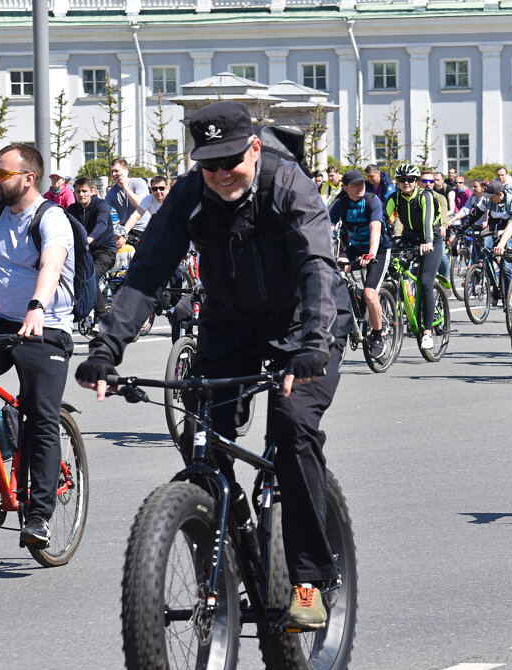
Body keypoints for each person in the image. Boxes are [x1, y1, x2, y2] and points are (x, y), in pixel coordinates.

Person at [75, 101, 352, 630]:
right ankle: (223, 543)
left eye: (231, 161)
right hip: (232, 325)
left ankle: (311, 579)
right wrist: (106, 349)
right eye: (209, 164)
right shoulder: (189, 194)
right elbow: (145, 275)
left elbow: (317, 266)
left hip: (305, 324)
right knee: (202, 429)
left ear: (253, 148)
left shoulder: (287, 184)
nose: (222, 174)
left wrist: (313, 342)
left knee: (292, 426)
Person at [0, 143, 77, 549]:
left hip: (46, 325)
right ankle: (5, 437)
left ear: (29, 179)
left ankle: (39, 516)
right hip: (4, 323)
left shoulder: (53, 219)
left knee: (42, 415)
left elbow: (50, 265)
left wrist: (36, 307)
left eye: (1, 174)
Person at [328, 169, 388, 359]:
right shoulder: (340, 203)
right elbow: (326, 229)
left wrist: (370, 255)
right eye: (355, 184)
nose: (360, 186)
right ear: (345, 188)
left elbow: (375, 229)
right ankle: (357, 306)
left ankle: (378, 335)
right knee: (339, 272)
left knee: (371, 294)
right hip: (354, 247)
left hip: (377, 250)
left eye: (362, 183)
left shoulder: (372, 201)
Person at [386, 162, 443, 351]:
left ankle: (427, 332)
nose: (406, 183)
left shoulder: (424, 196)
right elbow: (386, 219)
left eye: (410, 180)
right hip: (409, 238)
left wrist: (427, 241)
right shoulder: (395, 198)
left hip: (431, 240)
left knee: (426, 282)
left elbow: (428, 220)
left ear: (416, 181)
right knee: (392, 270)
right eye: (402, 180)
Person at [67, 177, 118, 314]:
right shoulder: (72, 209)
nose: (81, 194)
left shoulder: (100, 205)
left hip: (105, 251)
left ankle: (101, 316)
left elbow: (101, 224)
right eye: (78, 191)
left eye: (84, 191)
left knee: (91, 276)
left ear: (92, 191)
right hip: (85, 252)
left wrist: (91, 237)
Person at [105, 158, 150, 246]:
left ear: (125, 171)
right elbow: (104, 210)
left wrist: (125, 187)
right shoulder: (112, 191)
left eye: (116, 171)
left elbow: (139, 204)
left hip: (142, 229)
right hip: (125, 229)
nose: (114, 174)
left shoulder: (139, 182)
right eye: (111, 172)